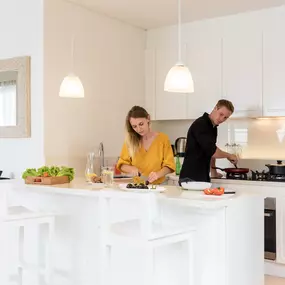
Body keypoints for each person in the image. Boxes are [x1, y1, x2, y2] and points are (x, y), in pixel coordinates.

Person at [179, 99, 238, 183]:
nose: (221, 119)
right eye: (221, 114)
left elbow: (210, 151)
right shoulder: (202, 124)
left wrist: (214, 172)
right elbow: (213, 151)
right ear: (215, 108)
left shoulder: (213, 127)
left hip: (201, 177)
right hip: (190, 178)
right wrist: (229, 155)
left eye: (225, 117)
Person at [117, 106, 175, 184]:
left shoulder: (163, 139)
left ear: (148, 118)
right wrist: (131, 169)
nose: (138, 129)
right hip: (138, 187)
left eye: (141, 124)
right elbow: (122, 165)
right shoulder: (130, 142)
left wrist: (157, 174)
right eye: (134, 126)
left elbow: (169, 166)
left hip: (159, 186)